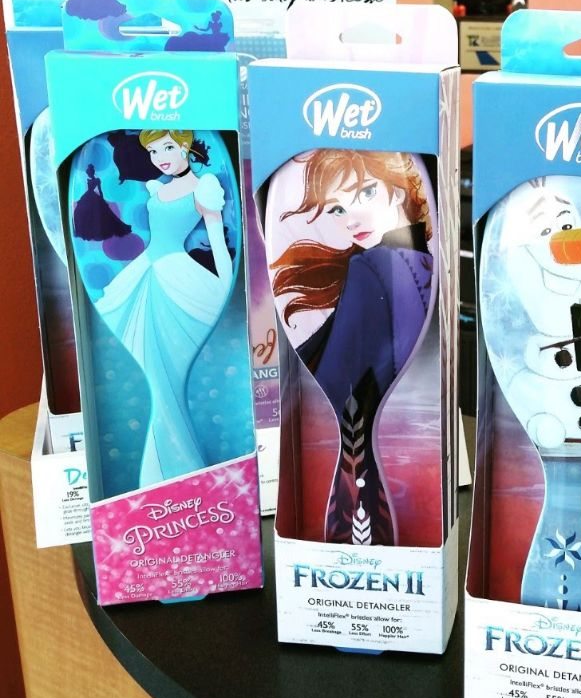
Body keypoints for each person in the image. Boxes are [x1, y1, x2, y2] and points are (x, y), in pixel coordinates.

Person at [269, 150, 434, 544]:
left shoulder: (368, 268)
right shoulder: (423, 263)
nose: (352, 218)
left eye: (366, 193)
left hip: (360, 435)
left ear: (397, 190)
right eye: (338, 209)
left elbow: (339, 376)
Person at [92, 129, 235, 486]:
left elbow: (218, 241)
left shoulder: (204, 188)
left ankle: (177, 472)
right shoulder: (156, 187)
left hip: (177, 279)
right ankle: (164, 474)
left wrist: (224, 287)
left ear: (185, 146)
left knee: (169, 374)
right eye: (154, 151)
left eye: (167, 147)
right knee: (153, 376)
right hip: (145, 273)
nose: (160, 158)